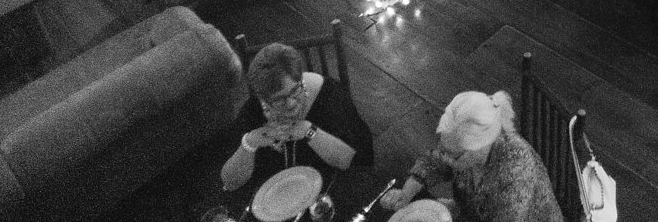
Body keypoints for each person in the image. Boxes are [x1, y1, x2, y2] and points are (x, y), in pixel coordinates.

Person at [378, 90, 562, 222]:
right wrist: (407, 191)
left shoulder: (517, 172)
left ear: (479, 148)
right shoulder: (461, 145)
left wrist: (454, 212)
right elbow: (435, 161)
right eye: (443, 149)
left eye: (451, 156)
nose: (444, 158)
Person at [220, 43, 373, 193]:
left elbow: (357, 162)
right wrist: (250, 142)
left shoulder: (331, 96)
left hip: (331, 189)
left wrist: (309, 131)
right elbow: (230, 182)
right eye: (279, 100)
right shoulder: (252, 111)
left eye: (295, 90)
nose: (291, 103)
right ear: (263, 100)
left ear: (301, 79)